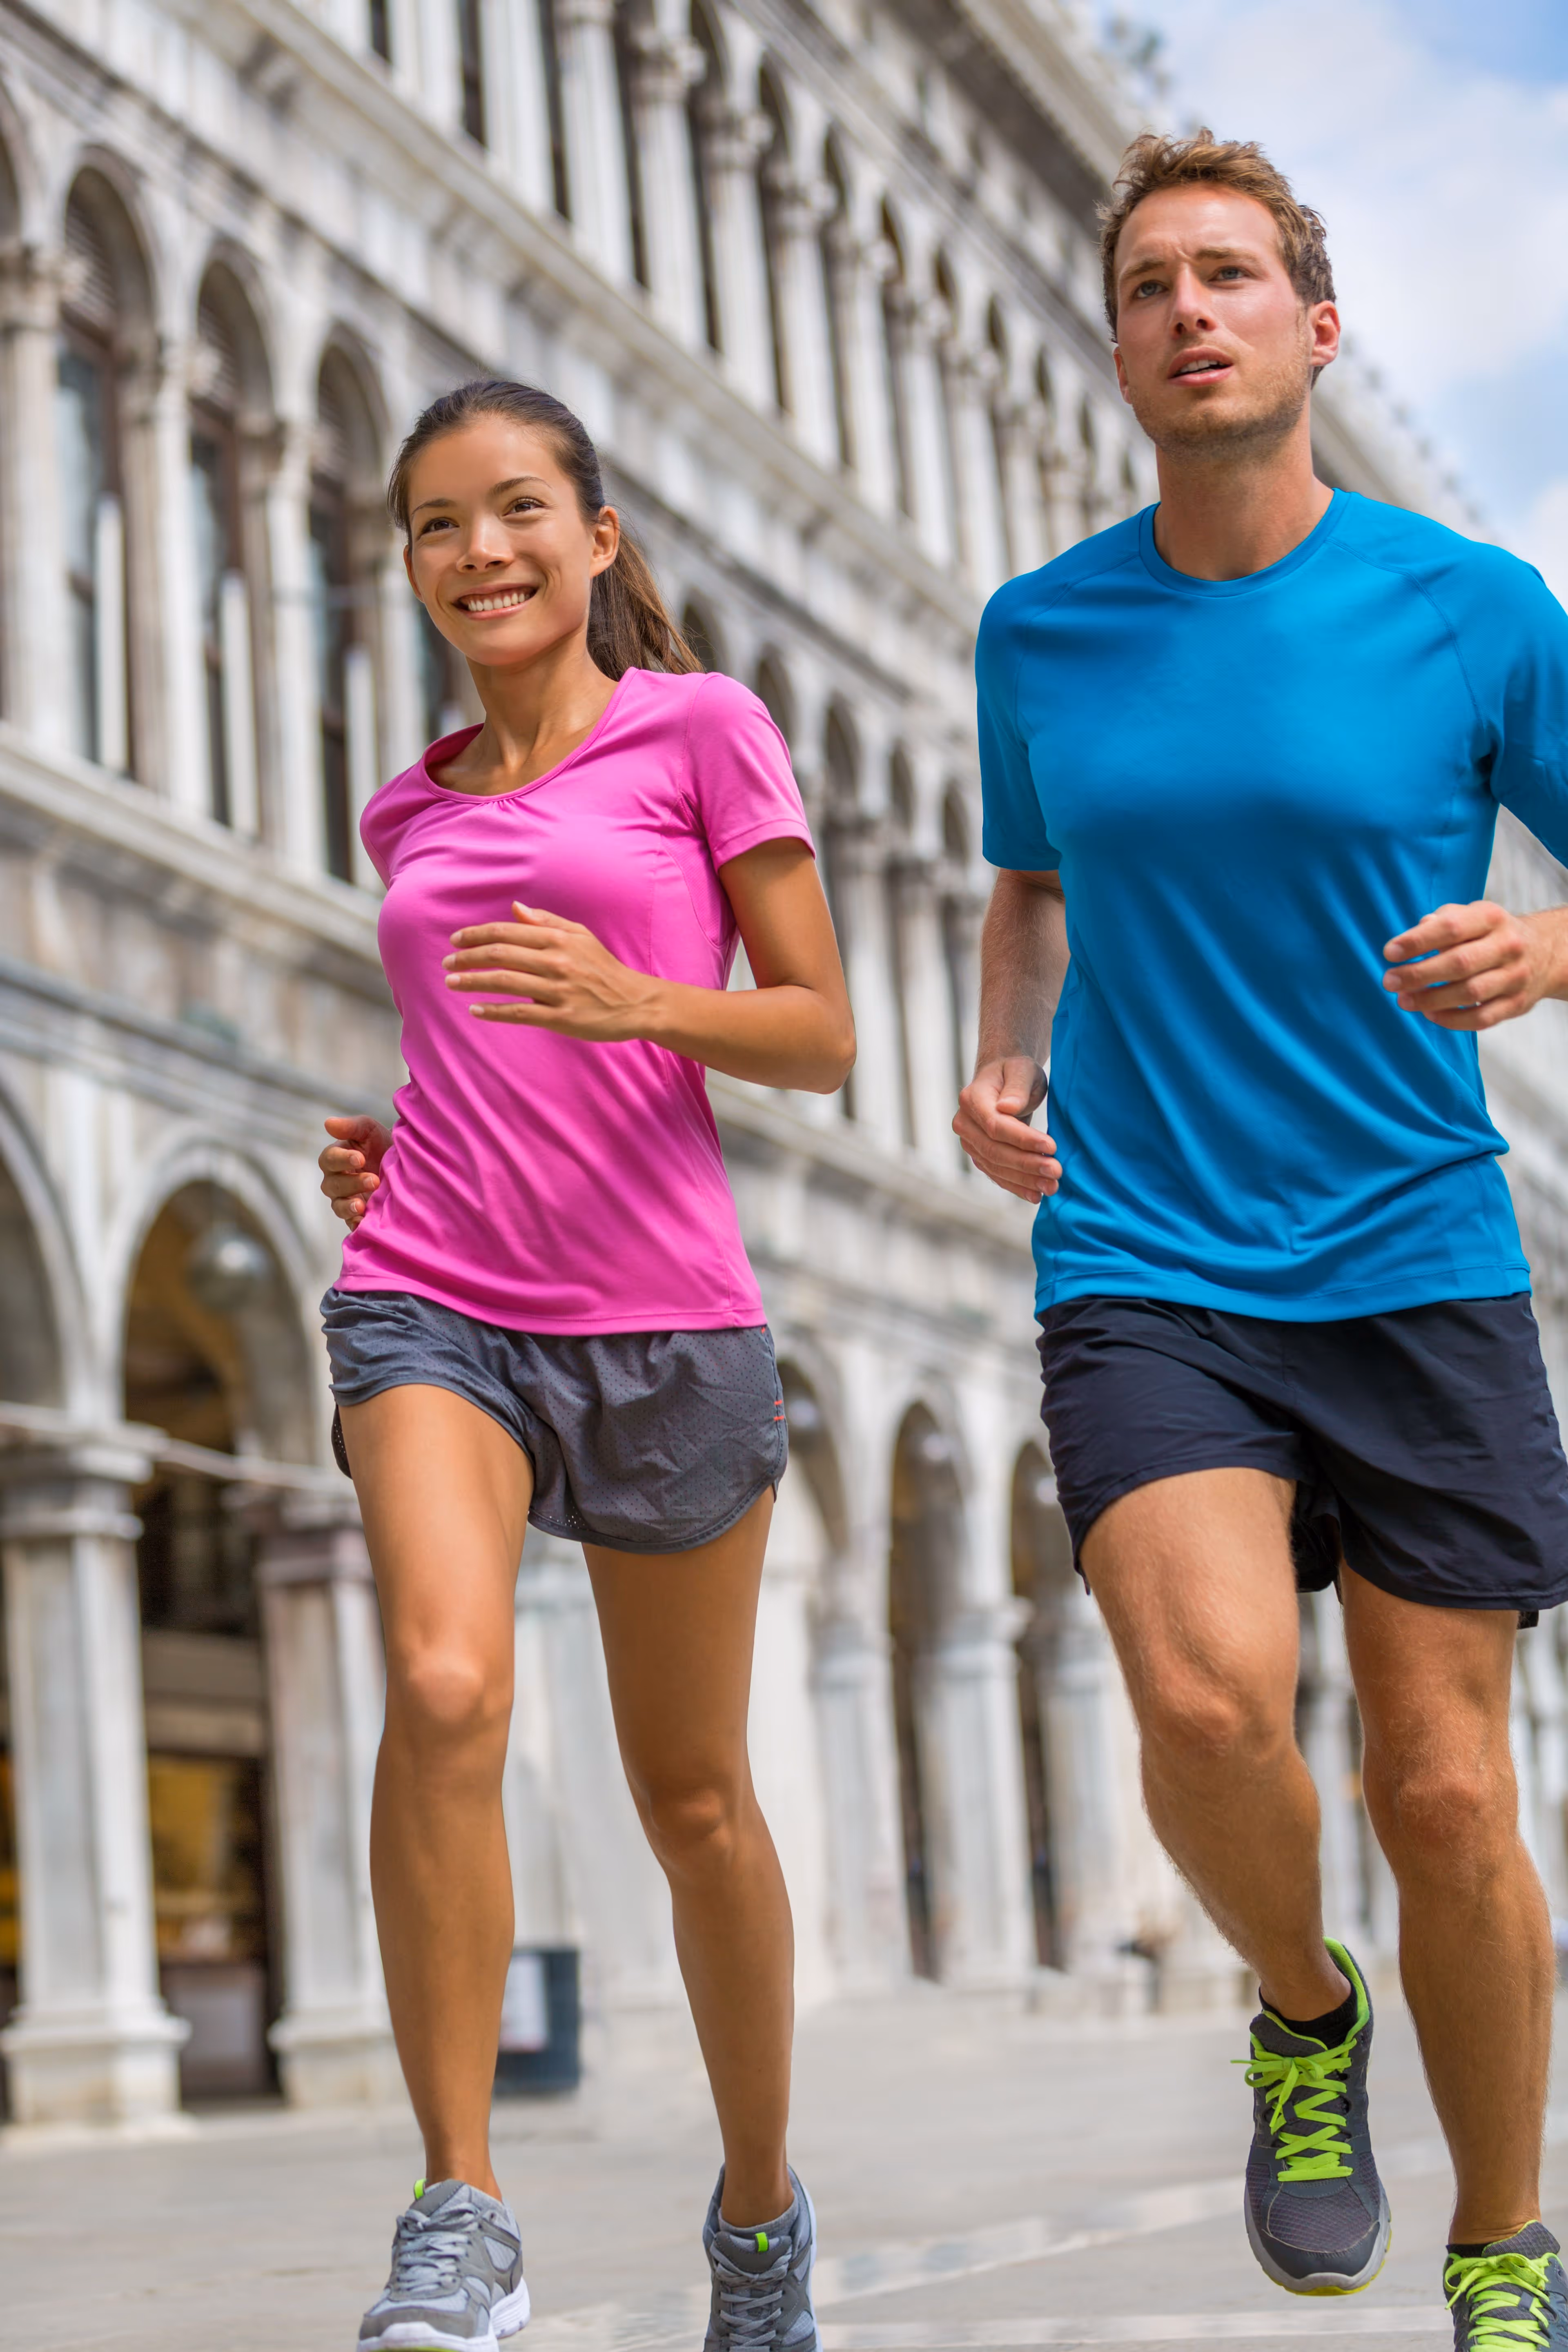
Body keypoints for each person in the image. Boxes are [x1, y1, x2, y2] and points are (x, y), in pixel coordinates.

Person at [956, 130, 1568, 2349]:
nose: (1189, 311)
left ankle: (1506, 2242)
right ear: (1117, 348)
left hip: (1416, 1248)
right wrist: (1001, 1058)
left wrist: (1546, 954)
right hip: (1148, 1250)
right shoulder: (1043, 627)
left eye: (1230, 276)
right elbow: (1032, 891)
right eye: (1149, 286)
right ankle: (1305, 2024)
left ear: (1318, 329)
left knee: (1444, 1784)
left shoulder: (1474, 607)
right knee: (1209, 1700)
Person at [316, 377, 853, 2352]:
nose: (483, 551)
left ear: (598, 537)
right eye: (442, 525)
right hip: (432, 1287)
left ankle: (760, 2220)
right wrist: (387, 1134)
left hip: (666, 1324)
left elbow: (818, 1030)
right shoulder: (411, 802)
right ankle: (461, 2211)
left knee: (693, 1794)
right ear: (412, 566)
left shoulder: (699, 731)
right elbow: (470, 1041)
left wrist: (643, 1000)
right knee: (447, 1688)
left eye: (520, 509)